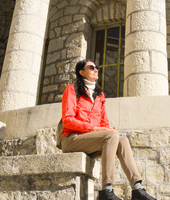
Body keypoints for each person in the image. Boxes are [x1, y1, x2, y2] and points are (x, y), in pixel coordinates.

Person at [61, 59, 156, 200]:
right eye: (91, 67)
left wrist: (107, 130)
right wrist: (93, 129)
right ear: (81, 72)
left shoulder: (100, 95)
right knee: (111, 135)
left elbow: (104, 122)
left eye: (97, 67)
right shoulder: (72, 90)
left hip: (91, 142)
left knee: (122, 140)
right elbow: (67, 120)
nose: (96, 69)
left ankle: (137, 189)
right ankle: (106, 190)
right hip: (72, 139)